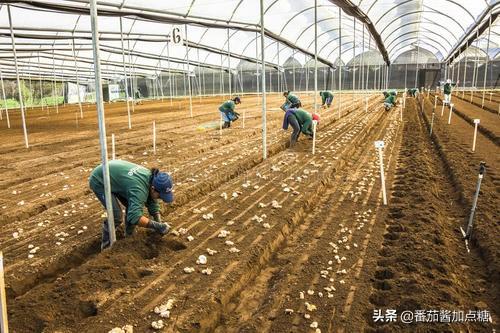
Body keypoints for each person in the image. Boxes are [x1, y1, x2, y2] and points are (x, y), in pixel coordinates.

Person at [89, 160, 173, 250]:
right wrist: (158, 226)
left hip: (116, 176)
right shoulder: (139, 189)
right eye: (160, 195)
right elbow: (135, 217)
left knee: (132, 206)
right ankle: (106, 247)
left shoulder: (150, 179)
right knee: (116, 216)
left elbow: (151, 201)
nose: (160, 198)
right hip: (100, 179)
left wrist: (158, 221)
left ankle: (129, 236)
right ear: (153, 188)